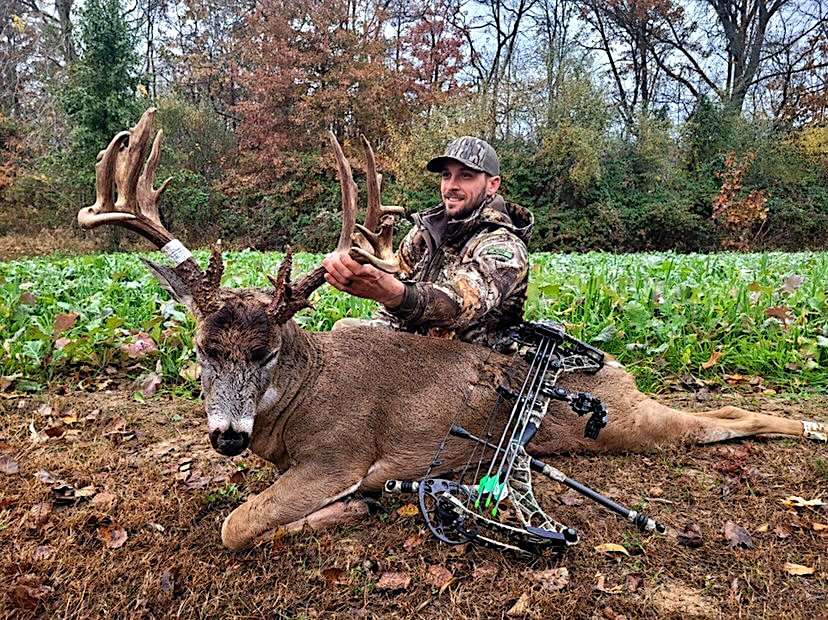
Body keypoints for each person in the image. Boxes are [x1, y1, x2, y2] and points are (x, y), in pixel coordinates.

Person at [322, 136, 533, 351]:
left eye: (466, 176)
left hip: (472, 359)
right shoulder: (424, 234)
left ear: (492, 185)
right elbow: (395, 292)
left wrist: (395, 293)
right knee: (344, 331)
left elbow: (460, 305)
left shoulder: (505, 247)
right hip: (417, 346)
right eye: (446, 175)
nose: (451, 186)